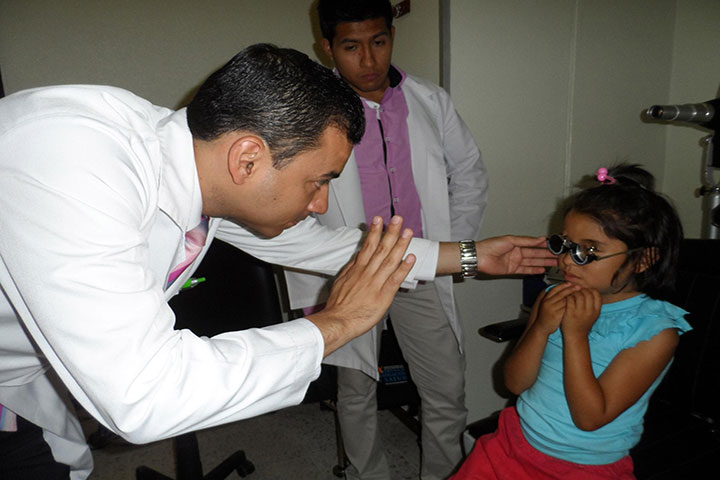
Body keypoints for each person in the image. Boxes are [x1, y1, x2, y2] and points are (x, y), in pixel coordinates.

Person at [0, 43, 554, 479]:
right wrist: (337, 323)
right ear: (248, 158)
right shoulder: (71, 163)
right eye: (318, 182)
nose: (321, 205)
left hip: (24, 384)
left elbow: (325, 245)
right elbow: (145, 395)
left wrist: (471, 256)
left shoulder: (196, 166)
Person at [285, 1, 486, 478]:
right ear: (328, 47)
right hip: (349, 269)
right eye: (351, 47)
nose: (369, 60)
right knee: (356, 390)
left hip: (418, 265)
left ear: (392, 36)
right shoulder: (309, 109)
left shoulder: (429, 100)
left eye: (378, 42)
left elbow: (469, 173)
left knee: (447, 387)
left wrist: (453, 248)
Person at [451, 164, 692, 480]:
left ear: (643, 260)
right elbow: (514, 384)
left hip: (584, 466)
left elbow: (590, 418)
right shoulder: (554, 297)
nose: (566, 260)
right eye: (565, 245)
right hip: (515, 443)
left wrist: (575, 336)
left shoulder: (654, 331)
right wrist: (541, 328)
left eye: (589, 250)